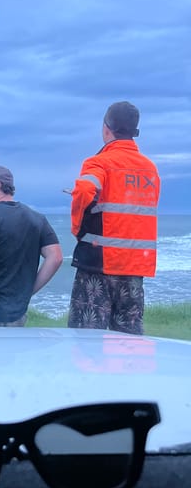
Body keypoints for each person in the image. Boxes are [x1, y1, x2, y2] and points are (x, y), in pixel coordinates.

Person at [67, 101, 160, 334]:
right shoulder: (150, 169)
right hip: (134, 268)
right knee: (129, 343)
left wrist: (78, 230)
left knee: (86, 340)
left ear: (106, 128)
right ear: (134, 132)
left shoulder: (99, 162)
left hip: (99, 264)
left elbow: (84, 191)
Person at [0, 165, 63, 326]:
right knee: (12, 352)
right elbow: (56, 257)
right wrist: (28, 291)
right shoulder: (36, 218)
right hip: (17, 314)